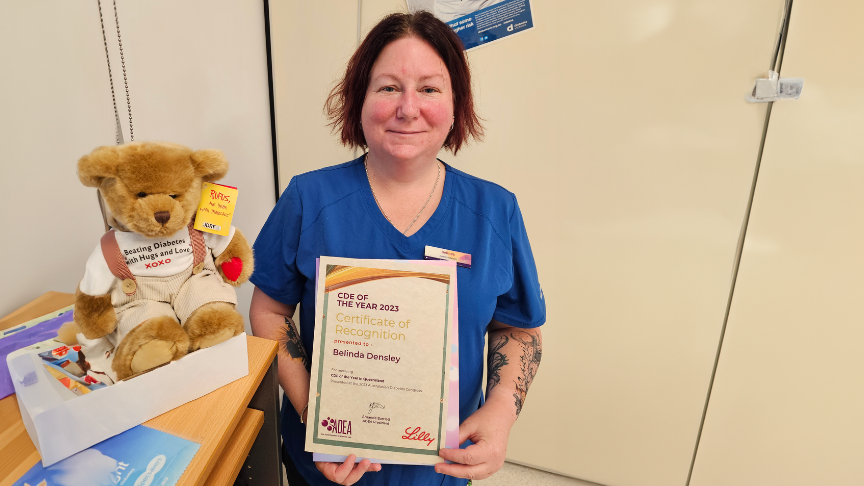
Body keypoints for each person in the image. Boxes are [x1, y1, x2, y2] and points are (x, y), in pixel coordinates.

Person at [249, 11, 544, 486]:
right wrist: (315, 418)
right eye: (388, 88)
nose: (408, 108)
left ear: (456, 103)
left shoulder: (495, 210)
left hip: (440, 469)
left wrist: (501, 414)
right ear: (359, 100)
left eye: (429, 89)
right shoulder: (309, 199)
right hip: (324, 467)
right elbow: (269, 311)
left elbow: (519, 329)